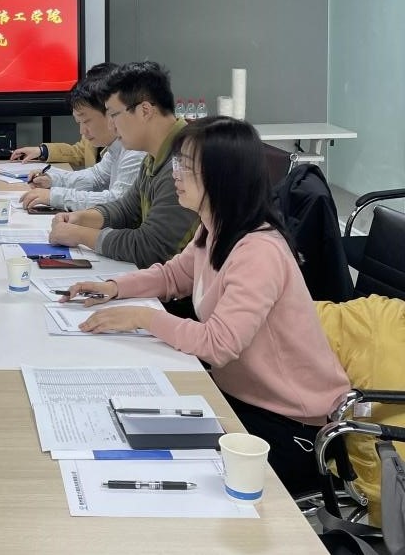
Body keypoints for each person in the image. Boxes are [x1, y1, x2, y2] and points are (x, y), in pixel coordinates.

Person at [59, 117, 350, 494]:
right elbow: (172, 276)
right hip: (241, 399)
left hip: (292, 425)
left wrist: (142, 317)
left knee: (163, 464)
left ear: (222, 176)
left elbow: (218, 344)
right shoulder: (215, 228)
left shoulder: (258, 251)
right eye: (177, 162)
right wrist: (113, 287)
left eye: (186, 166)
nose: (175, 174)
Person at [48, 61, 199, 269]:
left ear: (145, 111)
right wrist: (80, 218)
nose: (111, 126)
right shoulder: (154, 155)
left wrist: (79, 234)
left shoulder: (185, 161)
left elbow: (150, 248)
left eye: (114, 115)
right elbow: (127, 209)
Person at [19, 64, 145, 212]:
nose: (82, 131)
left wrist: (54, 196)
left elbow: (118, 202)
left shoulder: (136, 149)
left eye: (86, 121)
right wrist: (53, 180)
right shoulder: (118, 146)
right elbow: (96, 177)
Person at [9, 75, 100, 170]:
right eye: (79, 122)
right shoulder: (94, 136)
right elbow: (80, 153)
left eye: (87, 121)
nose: (82, 131)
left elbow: (95, 177)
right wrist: (41, 151)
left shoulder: (111, 152)